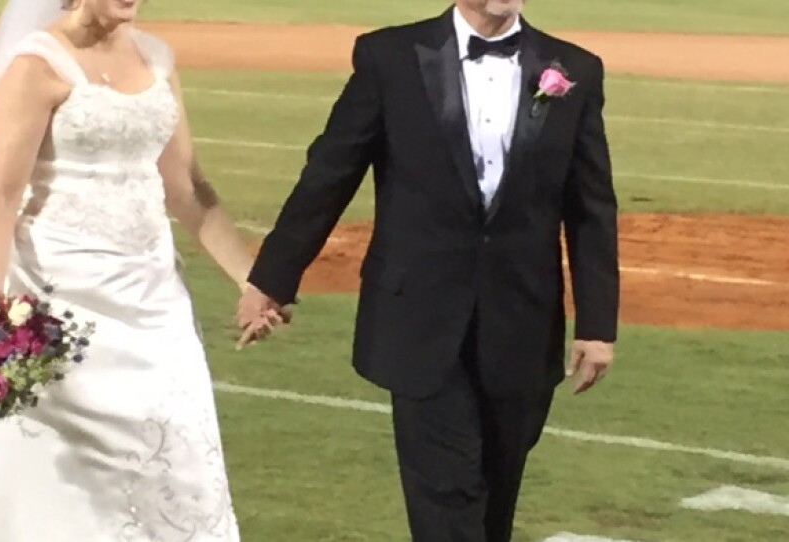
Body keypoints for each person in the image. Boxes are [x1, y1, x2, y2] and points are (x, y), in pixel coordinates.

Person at [238, 0, 619, 540]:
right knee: (448, 500)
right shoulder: (389, 56)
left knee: (494, 502)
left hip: (522, 326)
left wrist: (598, 325)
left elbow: (591, 207)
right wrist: (272, 279)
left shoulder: (575, 69)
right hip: (418, 319)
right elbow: (331, 171)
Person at [0, 0, 277, 539]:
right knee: (49, 465)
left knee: (174, 442)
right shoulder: (35, 66)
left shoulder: (156, 59)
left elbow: (188, 189)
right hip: (58, 297)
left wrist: (252, 278)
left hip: (154, 298)